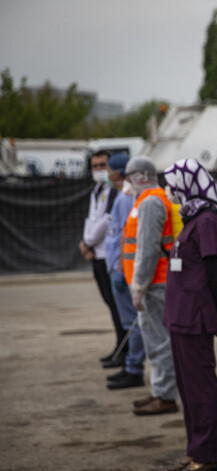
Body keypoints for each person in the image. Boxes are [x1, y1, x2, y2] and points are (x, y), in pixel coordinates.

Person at [162, 159, 217, 471]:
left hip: (195, 316)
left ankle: (208, 456)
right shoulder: (191, 217)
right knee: (188, 389)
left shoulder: (206, 221)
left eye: (173, 184)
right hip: (180, 316)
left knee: (201, 389)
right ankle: (196, 450)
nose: (170, 191)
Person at [123, 157, 178, 416]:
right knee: (156, 340)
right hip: (156, 282)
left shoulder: (151, 202)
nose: (127, 183)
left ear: (142, 175)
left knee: (159, 341)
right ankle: (159, 391)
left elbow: (147, 250)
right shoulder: (150, 200)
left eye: (129, 176)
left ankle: (165, 395)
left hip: (155, 283)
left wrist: (139, 286)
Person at [79, 150, 127, 368]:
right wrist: (86, 244)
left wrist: (88, 241)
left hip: (107, 255)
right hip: (96, 253)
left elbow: (107, 221)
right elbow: (92, 219)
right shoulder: (97, 190)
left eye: (103, 165)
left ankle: (124, 350)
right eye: (95, 165)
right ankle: (120, 345)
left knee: (118, 305)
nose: (100, 170)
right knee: (110, 303)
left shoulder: (116, 192)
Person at [103, 153, 146, 390]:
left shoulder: (128, 198)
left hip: (124, 267)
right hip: (118, 265)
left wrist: (121, 267)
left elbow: (129, 233)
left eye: (109, 169)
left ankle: (133, 367)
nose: (107, 173)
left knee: (133, 322)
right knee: (130, 321)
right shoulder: (123, 195)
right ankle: (130, 365)